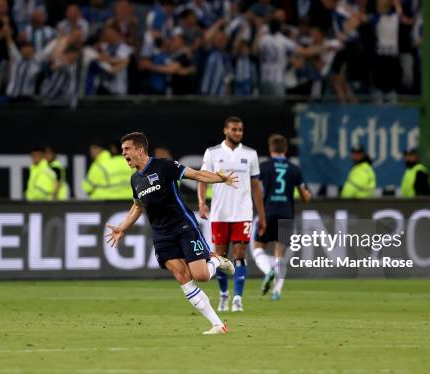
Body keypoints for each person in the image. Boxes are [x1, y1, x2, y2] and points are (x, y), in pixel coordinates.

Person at [104, 132, 237, 335]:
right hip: (161, 234)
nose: (123, 154)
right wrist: (122, 227)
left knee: (200, 275)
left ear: (140, 149)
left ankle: (216, 260)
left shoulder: (164, 166)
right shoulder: (135, 179)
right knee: (181, 275)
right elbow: (137, 206)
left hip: (183, 227)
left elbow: (197, 174)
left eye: (127, 150)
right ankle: (218, 324)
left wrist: (220, 179)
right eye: (122, 151)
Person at [198, 116, 266, 312]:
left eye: (240, 130)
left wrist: (261, 215)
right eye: (234, 129)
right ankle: (223, 294)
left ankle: (237, 298)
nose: (238, 133)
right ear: (225, 131)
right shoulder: (213, 153)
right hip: (220, 213)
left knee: (240, 253)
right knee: (220, 255)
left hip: (243, 212)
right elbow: (202, 179)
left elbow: (256, 186)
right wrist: (202, 203)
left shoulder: (250, 154)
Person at [252, 134, 311, 301]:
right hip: (286, 213)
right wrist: (306, 193)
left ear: (271, 149)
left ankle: (267, 271)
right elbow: (305, 197)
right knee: (280, 253)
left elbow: (256, 188)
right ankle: (277, 291)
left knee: (258, 248)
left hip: (268, 212)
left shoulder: (263, 167)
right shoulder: (294, 169)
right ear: (285, 149)